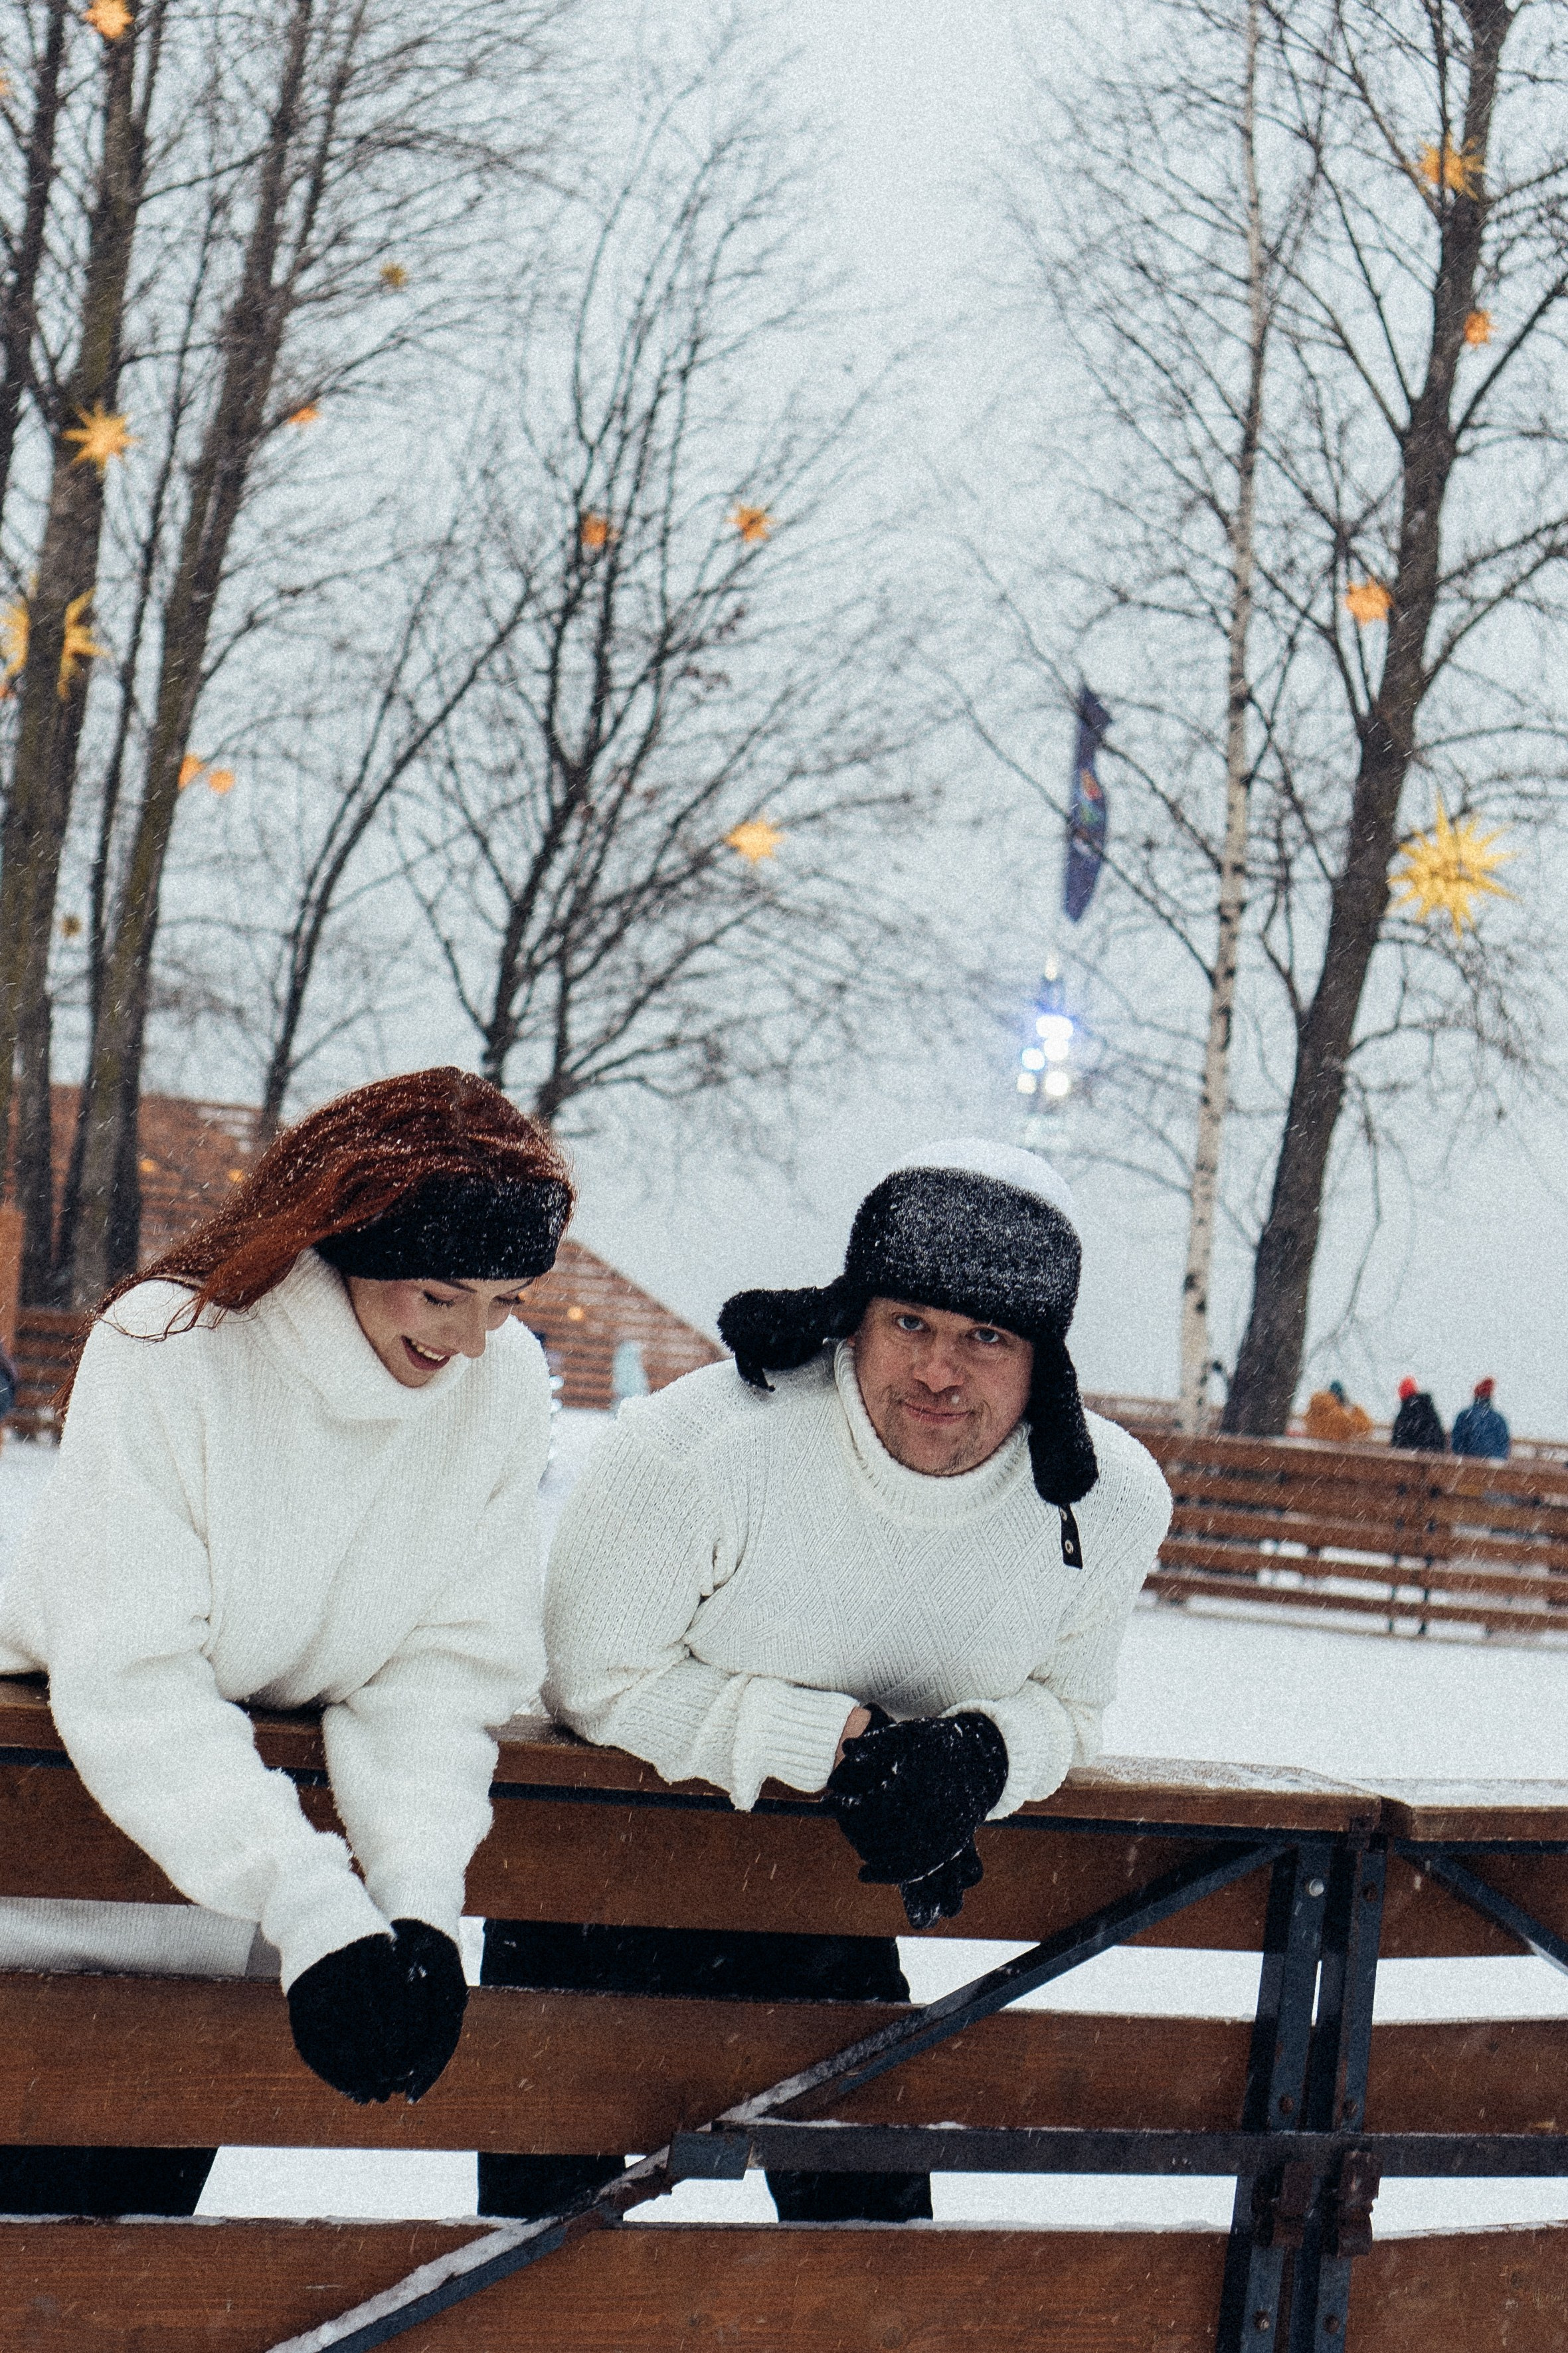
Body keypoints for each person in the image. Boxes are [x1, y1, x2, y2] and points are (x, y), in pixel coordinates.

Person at [481, 1138, 1171, 2225]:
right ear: (852, 1317)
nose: (939, 1370)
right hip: (592, 1886)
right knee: (539, 2272)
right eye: (910, 1325)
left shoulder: (1105, 1502)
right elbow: (593, 1676)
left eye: (985, 1337)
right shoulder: (700, 1445)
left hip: (823, 1907)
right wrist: (840, 1740)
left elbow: (1070, 1703)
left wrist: (982, 1753)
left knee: (870, 2266)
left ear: (1046, 1357)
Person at [0, 1067, 571, 2218]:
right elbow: (135, 1674)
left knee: (132, 2267)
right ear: (352, 1243)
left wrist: (411, 1905)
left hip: (225, 1904)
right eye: (441, 1293)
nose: (470, 1340)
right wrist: (314, 1902)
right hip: (54, 1858)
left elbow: (442, 1672)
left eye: (508, 1301)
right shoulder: (172, 1347)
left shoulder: (497, 1391)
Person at [1451, 1378, 1511, 1461]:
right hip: (1492, 1467)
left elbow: (1457, 1442)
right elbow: (1503, 1445)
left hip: (1467, 1465)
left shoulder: (1465, 1415)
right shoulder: (1498, 1419)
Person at [1303, 1380, 1373, 1443]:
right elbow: (1364, 1428)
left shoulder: (1313, 1412)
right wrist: (1355, 1411)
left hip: (1316, 1447)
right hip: (1335, 1450)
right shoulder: (1339, 1416)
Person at [1391, 1376, 1446, 1454]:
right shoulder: (1429, 1411)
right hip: (1433, 1459)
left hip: (1407, 1460)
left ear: (1402, 1395)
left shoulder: (1405, 1414)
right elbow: (1439, 1439)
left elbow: (1397, 1442)